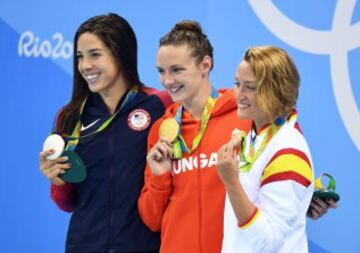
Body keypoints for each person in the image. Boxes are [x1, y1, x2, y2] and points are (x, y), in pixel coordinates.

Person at [39, 13, 171, 253]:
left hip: (144, 246)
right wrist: (57, 181)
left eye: (95, 54)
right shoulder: (70, 117)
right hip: (85, 245)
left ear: (120, 54)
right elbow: (67, 203)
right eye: (80, 56)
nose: (84, 65)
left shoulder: (160, 104)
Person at [137, 20, 252, 253]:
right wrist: (160, 178)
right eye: (161, 71)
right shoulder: (163, 130)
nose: (167, 81)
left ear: (205, 65)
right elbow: (151, 219)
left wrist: (304, 198)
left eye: (177, 70)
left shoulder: (246, 117)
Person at [216, 46, 314, 252]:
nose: (238, 95)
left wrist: (231, 182)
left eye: (250, 87)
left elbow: (267, 242)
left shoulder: (289, 151)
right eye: (237, 84)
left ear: (277, 90)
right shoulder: (256, 135)